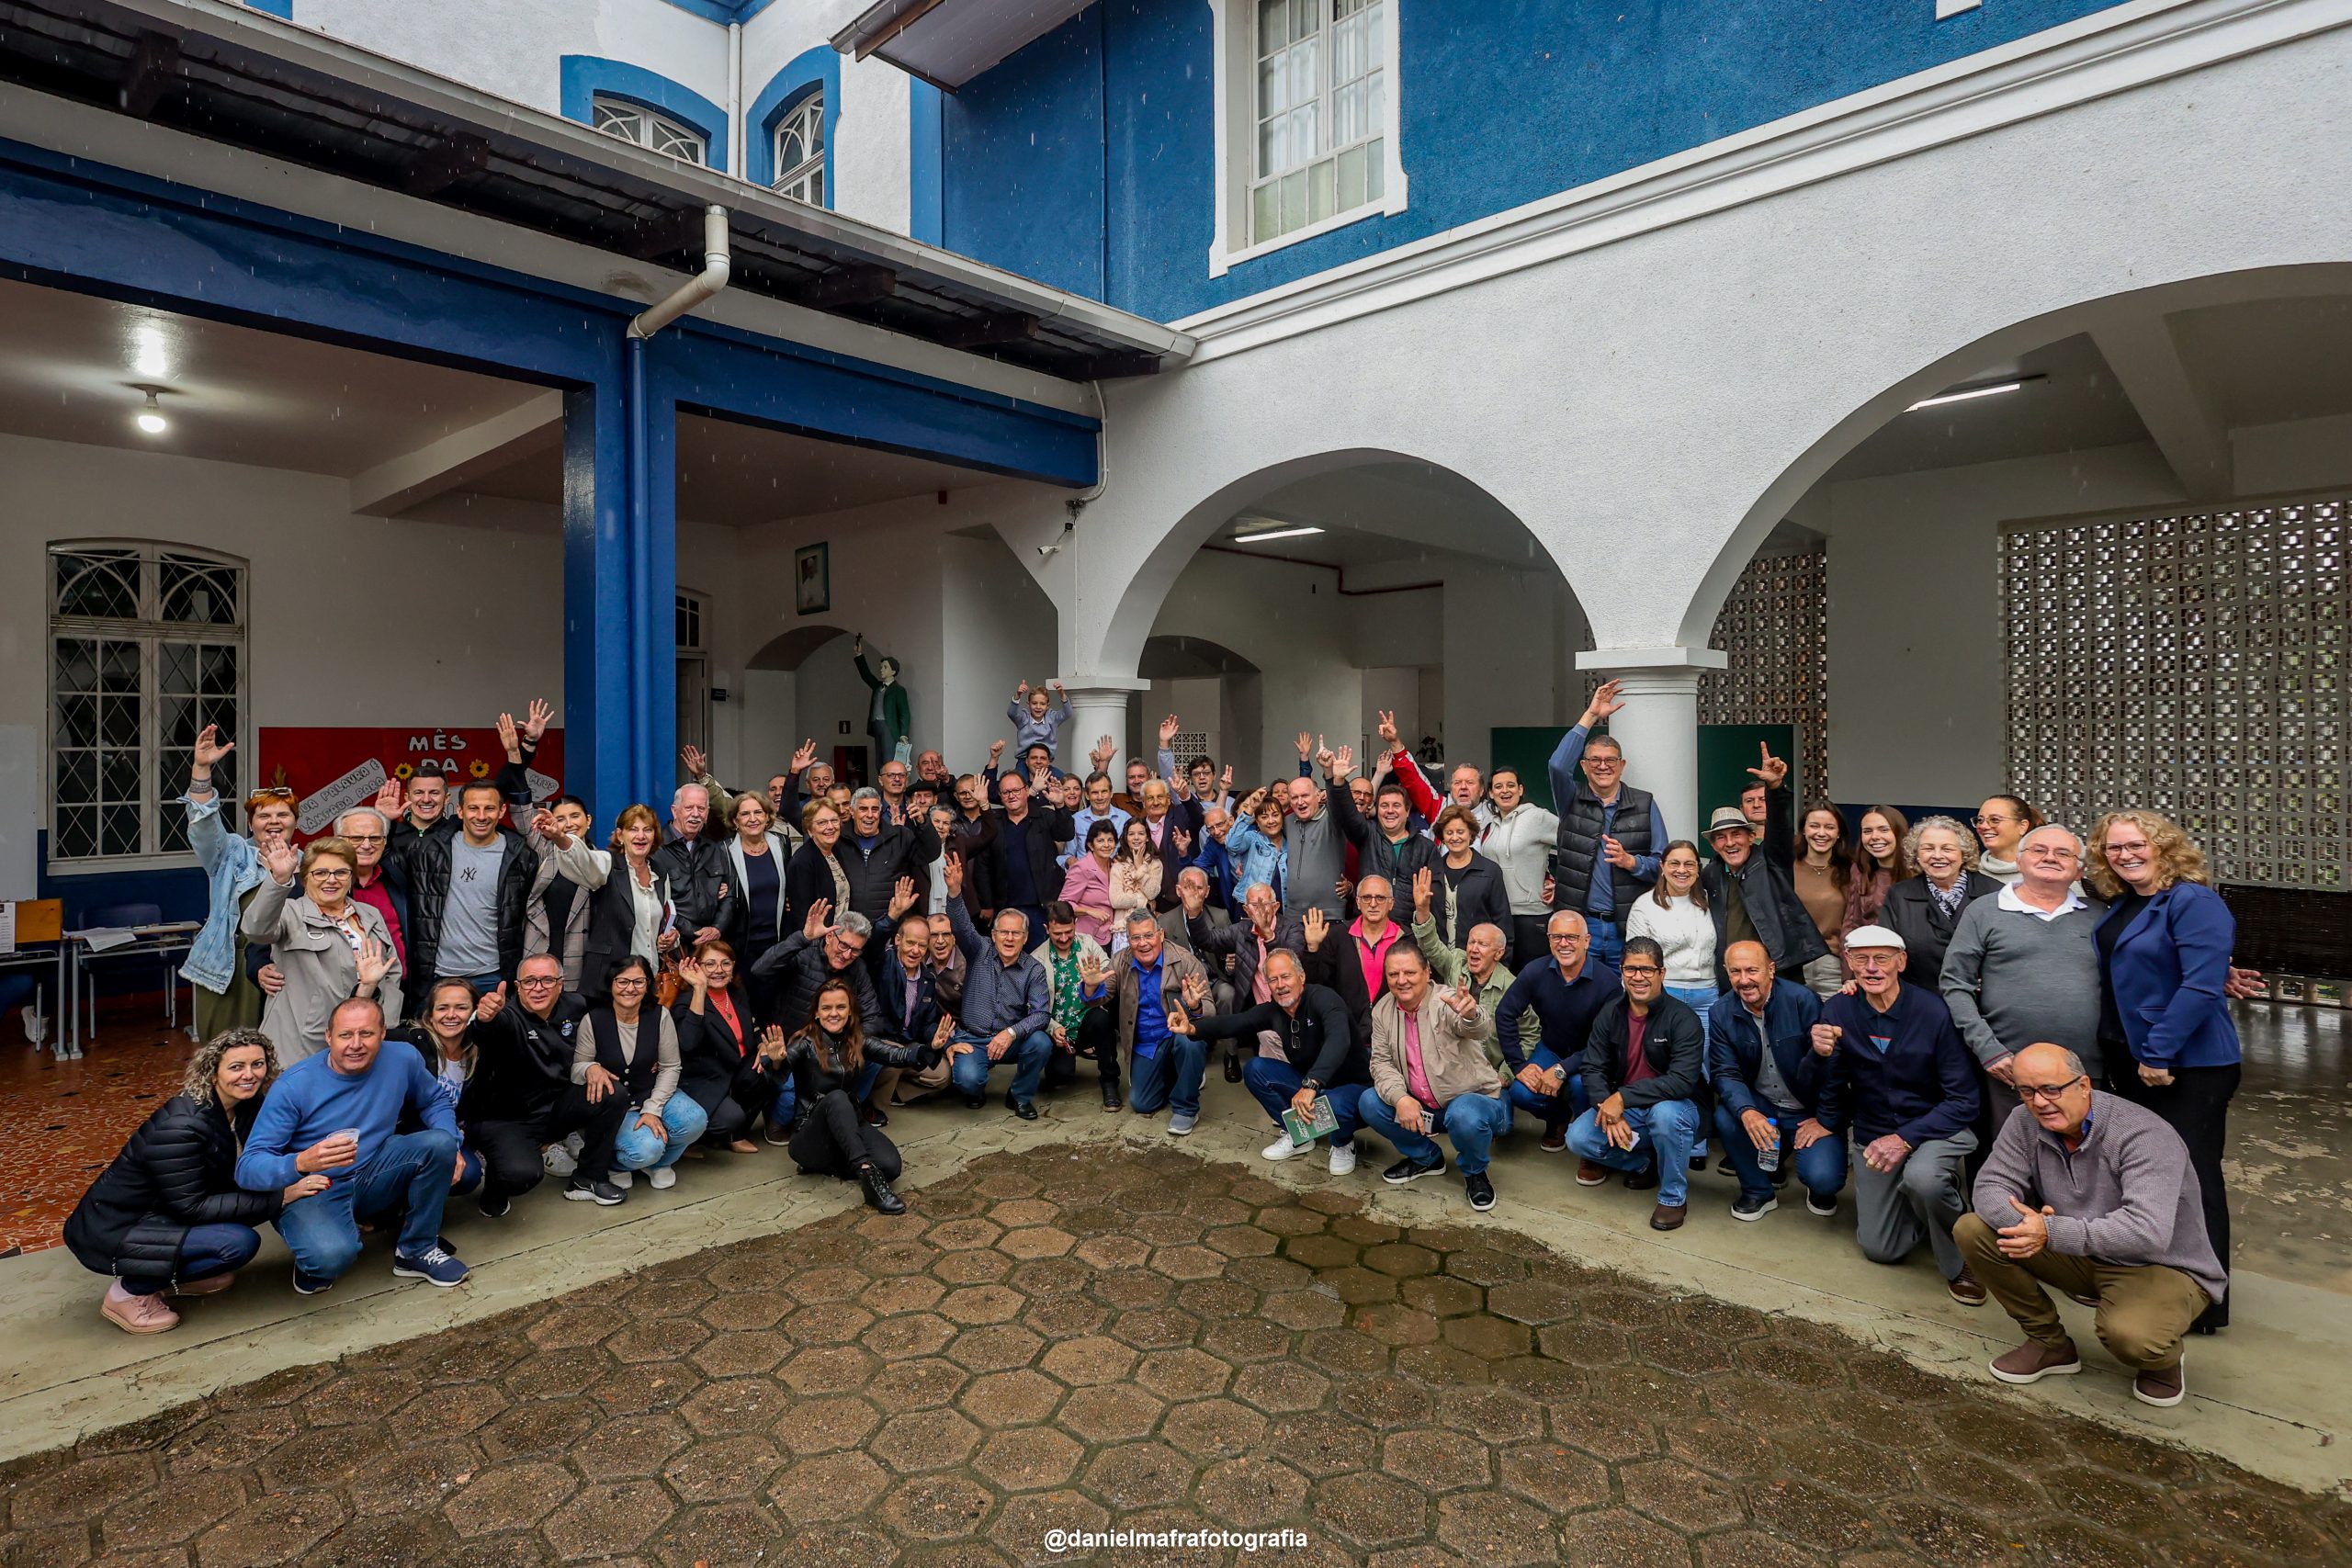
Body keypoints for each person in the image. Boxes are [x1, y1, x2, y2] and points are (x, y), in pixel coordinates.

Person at [1957, 1043, 2223, 1407]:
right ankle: (2050, 1344)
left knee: (2133, 1337)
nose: (2039, 1102)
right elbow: (1990, 1187)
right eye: (2027, 1091)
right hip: (2082, 1252)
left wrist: (2050, 1231)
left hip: (2158, 1265)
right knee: (1974, 1230)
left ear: (2084, 1085)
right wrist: (2031, 1225)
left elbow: (2147, 1233)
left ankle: (2162, 1362)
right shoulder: (2025, 1121)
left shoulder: (2143, 1134)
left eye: (2052, 1089)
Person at [2088, 809, 2241, 1333]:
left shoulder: (2193, 900)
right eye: (2114, 848)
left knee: (2193, 1176)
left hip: (2186, 1063)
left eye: (2135, 846)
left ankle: (2205, 1299)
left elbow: (2201, 985)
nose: (2125, 855)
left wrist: (2158, 1052)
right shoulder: (2125, 902)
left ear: (2163, 847)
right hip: (2125, 1055)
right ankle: (2150, 1278)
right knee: (2143, 1170)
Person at [67, 1028, 309, 1333]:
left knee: (237, 1221)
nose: (249, 1075)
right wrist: (280, 1197)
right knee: (237, 1245)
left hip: (164, 1211)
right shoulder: (181, 1127)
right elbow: (192, 1207)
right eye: (236, 1067)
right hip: (116, 1227)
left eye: (257, 1064)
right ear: (212, 1074)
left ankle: (177, 1275)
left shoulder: (243, 1106)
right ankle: (129, 1292)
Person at [235, 996, 470, 1292]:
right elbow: (248, 1167)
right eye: (345, 1035)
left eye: (366, 1034)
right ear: (329, 1037)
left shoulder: (402, 1058)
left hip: (374, 1169)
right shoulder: (293, 1086)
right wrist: (300, 1162)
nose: (355, 1044)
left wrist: (452, 1139)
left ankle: (416, 1249)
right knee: (329, 1258)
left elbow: (434, 1099)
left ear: (383, 1034)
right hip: (315, 1186)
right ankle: (314, 1256)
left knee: (440, 1143)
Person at [1808, 925, 1984, 1303]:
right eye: (1861, 959)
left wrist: (1905, 1140)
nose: (1872, 968)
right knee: (1880, 1249)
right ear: (1849, 964)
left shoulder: (1933, 1011)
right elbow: (1826, 1082)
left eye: (1882, 958)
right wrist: (1818, 1056)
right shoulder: (1838, 1008)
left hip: (1936, 1128)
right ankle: (1930, 1209)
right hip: (1875, 1132)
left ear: (1901, 962)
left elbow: (1964, 1101)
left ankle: (1964, 1255)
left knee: (1924, 1177)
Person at [1941, 824, 2106, 1163]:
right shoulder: (1984, 911)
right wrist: (1988, 1050)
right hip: (2009, 1068)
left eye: (2063, 853)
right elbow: (1955, 983)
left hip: (2085, 1068)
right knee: (2014, 1162)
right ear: (2019, 860)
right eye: (2039, 850)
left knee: (2084, 1161)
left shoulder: (2099, 916)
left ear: (2080, 869)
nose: (2050, 858)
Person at [765, 977, 961, 1214]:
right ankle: (868, 1178)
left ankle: (827, 1166)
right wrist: (776, 1062)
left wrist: (932, 1047)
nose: (833, 1014)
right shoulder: (804, 1042)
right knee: (837, 1097)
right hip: (810, 1136)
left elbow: (897, 1056)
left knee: (891, 1167)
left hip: (848, 1126)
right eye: (826, 1008)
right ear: (816, 1013)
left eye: (840, 1007)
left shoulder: (858, 1040)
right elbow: (777, 1073)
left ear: (850, 1012)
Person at [1173, 946, 1367, 1174]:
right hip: (1313, 1089)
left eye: (1286, 976)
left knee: (1333, 1102)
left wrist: (1311, 1084)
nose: (1280, 985)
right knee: (1256, 1068)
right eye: (1273, 980)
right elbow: (1234, 1022)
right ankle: (1299, 1136)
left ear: (1301, 976)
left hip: (1352, 1089)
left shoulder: (1324, 999)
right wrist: (1193, 1026)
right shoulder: (1275, 1011)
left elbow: (1339, 1041)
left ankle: (1343, 1142)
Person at [464, 953, 631, 1209]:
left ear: (561, 984)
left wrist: (592, 1066)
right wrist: (484, 1018)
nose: (538, 988)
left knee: (611, 1091)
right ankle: (495, 1189)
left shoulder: (575, 1006)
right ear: (517, 987)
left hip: (554, 1110)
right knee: (521, 1175)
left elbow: (609, 1020)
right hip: (507, 1119)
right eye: (529, 981)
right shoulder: (507, 1016)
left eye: (547, 980)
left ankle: (589, 1178)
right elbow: (485, 1031)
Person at [1565, 937, 1708, 1229]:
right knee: (1578, 1137)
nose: (1638, 977)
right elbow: (1592, 1067)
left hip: (1677, 1106)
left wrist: (1623, 1098)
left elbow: (1681, 1081)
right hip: (1628, 1107)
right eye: (1631, 969)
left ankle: (1672, 1197)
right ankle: (1647, 1163)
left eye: (1646, 970)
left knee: (1665, 1115)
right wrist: (1609, 1105)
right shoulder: (1611, 1013)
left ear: (1661, 973)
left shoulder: (1683, 1019)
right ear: (1622, 972)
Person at [1354, 945, 1506, 1207]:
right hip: (1425, 1109)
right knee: (1369, 1101)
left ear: (1426, 972)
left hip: (1471, 1104)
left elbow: (1477, 1029)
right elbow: (1380, 1063)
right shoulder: (1382, 1010)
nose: (1401, 980)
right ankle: (1427, 1158)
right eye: (1393, 974)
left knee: (1464, 1114)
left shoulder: (1446, 1000)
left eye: (1410, 972)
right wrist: (1401, 1098)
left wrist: (1470, 1013)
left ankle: (1474, 1171)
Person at [1707, 941, 1844, 1221]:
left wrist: (1826, 1120)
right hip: (1764, 1105)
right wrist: (1747, 1111)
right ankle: (1758, 1192)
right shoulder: (1721, 1012)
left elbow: (1834, 1067)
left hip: (1808, 1111)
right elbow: (1725, 1071)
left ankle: (1816, 1184)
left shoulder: (1802, 1000)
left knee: (1824, 1179)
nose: (1744, 980)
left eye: (1752, 970)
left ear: (1771, 969)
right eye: (1735, 972)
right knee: (1727, 1117)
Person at [243, 836, 402, 1064]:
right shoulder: (290, 913)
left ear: (351, 878)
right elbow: (256, 930)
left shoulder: (370, 914)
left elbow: (391, 971)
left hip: (360, 1039)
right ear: (305, 879)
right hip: (302, 1045)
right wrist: (278, 880)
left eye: (341, 872)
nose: (331, 880)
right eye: (320, 873)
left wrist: (385, 1026)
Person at [181, 725, 295, 1039]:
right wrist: (202, 770)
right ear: (250, 823)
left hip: (287, 970)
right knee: (226, 1055)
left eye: (283, 815)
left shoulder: (309, 864)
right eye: (263, 816)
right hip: (229, 968)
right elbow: (204, 824)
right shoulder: (230, 853)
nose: (273, 822)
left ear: (295, 821)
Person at [1545, 681, 1668, 971]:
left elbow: (1662, 864)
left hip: (1627, 926)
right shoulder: (1571, 799)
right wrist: (1591, 715)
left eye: (1610, 760)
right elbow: (1557, 766)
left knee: (1624, 1001)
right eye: (1595, 760)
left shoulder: (1645, 804)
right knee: (1576, 998)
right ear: (1584, 766)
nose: (1603, 766)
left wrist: (1631, 862)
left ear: (1622, 765)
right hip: (1580, 925)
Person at [384, 774, 538, 999]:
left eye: (489, 808)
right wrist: (386, 823)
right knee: (436, 1036)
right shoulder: (429, 850)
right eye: (473, 808)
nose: (481, 816)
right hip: (438, 974)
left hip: (493, 974)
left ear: (502, 811)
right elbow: (386, 865)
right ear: (460, 810)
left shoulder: (520, 856)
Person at [573, 956, 708, 1191]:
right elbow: (577, 1069)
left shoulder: (660, 1016)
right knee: (646, 1149)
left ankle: (659, 1164)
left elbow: (670, 1066)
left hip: (650, 1092)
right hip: (614, 1105)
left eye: (638, 982)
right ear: (611, 984)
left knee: (695, 1120)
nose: (630, 989)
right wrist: (589, 1067)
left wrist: (653, 1109)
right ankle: (618, 1166)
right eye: (622, 981)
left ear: (648, 986)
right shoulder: (593, 1020)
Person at [940, 857, 1054, 1117]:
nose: (1009, 938)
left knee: (1040, 1042)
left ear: (1026, 938)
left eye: (1016, 934)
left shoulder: (1033, 969)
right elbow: (960, 926)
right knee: (968, 1080)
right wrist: (955, 892)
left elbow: (1041, 1014)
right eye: (1004, 932)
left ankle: (1020, 1096)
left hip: (1009, 1039)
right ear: (993, 934)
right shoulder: (979, 949)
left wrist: (1011, 1033)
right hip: (973, 1038)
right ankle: (975, 1090)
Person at [1494, 910, 1617, 1148]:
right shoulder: (1535, 971)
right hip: (1551, 1048)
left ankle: (1590, 1148)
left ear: (1587, 941)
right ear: (1548, 940)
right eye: (1556, 937)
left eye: (1571, 937)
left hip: (1591, 1056)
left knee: (1582, 1086)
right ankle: (1559, 1118)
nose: (1564, 944)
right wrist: (1518, 1065)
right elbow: (1505, 1013)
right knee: (1521, 1091)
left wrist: (1561, 1070)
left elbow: (1604, 1044)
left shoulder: (1608, 983)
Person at [1083, 910, 1211, 1134]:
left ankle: (1186, 1108)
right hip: (1145, 1045)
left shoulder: (1185, 961)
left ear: (1161, 935)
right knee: (1142, 1103)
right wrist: (1091, 987)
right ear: (1128, 939)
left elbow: (1210, 1012)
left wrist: (1195, 1007)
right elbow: (1100, 999)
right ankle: (1186, 1074)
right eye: (1135, 938)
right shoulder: (1120, 960)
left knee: (1190, 1042)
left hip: (1176, 1035)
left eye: (1148, 936)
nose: (1143, 943)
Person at [539, 802, 676, 1001]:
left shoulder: (660, 872)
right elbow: (582, 860)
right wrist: (559, 837)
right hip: (608, 980)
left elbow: (662, 920)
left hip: (647, 979)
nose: (641, 836)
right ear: (620, 836)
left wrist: (669, 937)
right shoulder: (607, 862)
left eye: (647, 830)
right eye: (633, 829)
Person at [1698, 806, 1826, 987]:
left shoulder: (1771, 862)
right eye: (1721, 837)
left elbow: (1780, 829)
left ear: (1751, 837)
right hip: (1732, 977)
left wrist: (1775, 788)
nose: (1730, 843)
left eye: (1736, 834)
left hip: (1777, 973)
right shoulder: (1710, 874)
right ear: (1713, 845)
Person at [1408, 867, 1521, 1072]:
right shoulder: (1457, 963)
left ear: (1498, 954)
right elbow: (1431, 945)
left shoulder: (1513, 987)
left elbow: (1530, 1036)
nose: (1474, 949)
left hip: (1490, 1071)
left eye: (1483, 944)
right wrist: (1423, 909)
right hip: (1451, 1067)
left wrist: (1506, 1075)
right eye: (1471, 942)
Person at [1329, 747, 1444, 930]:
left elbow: (1436, 897)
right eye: (1384, 806)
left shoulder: (1426, 848)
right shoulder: (1366, 835)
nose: (1390, 811)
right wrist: (1339, 782)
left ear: (1407, 811)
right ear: (1376, 810)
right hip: (1368, 928)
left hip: (1408, 932)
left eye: (1396, 805)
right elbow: (1346, 814)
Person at [674, 942, 772, 1154]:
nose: (719, 970)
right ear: (697, 967)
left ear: (733, 966)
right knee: (730, 1119)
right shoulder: (686, 1002)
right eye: (710, 964)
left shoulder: (736, 994)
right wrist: (699, 990)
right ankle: (691, 1139)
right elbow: (688, 1044)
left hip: (733, 1072)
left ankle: (734, 1135)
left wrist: (763, 1045)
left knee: (770, 1066)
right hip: (703, 1080)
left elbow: (752, 1029)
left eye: (725, 963)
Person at [1881, 816, 2002, 983]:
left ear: (1963, 853)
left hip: (1981, 1000)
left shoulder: (1995, 892)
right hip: (1921, 999)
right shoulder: (1899, 895)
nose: (1937, 856)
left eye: (1947, 849)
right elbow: (1886, 951)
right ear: (1916, 855)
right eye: (1928, 849)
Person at [751, 898, 888, 1041]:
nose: (847, 955)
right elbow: (760, 970)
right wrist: (803, 938)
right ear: (829, 937)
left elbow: (874, 1019)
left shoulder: (858, 967)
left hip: (832, 1053)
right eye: (843, 945)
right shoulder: (803, 953)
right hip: (790, 1045)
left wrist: (846, 1043)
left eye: (855, 950)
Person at [1470, 766, 1557, 973]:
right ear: (1491, 793)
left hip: (1531, 917)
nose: (1505, 791)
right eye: (1498, 786)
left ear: (1520, 790)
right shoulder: (1487, 826)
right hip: (1497, 917)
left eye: (1511, 785)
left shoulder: (1538, 817)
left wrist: (1558, 883)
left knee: (1534, 980)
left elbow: (1575, 846)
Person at [1037, 903, 1119, 1111]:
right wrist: (1052, 1028)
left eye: (1069, 932)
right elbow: (1035, 1007)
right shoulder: (1037, 959)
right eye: (1057, 934)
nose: (1064, 939)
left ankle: (1110, 1082)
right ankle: (1065, 1059)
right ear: (1047, 928)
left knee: (1102, 1019)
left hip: (1086, 1022)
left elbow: (1110, 974)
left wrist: (1095, 984)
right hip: (1060, 1033)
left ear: (1075, 924)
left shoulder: (1088, 944)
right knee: (1059, 1078)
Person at [981, 772, 1076, 947]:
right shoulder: (994, 821)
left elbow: (1066, 833)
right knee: (1009, 957)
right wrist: (987, 903)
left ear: (1026, 791)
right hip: (1006, 906)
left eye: (1016, 790)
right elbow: (983, 865)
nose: (1012, 796)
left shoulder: (1044, 816)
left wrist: (1061, 805)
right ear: (1000, 797)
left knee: (1042, 958)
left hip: (1042, 906)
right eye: (1006, 792)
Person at [1626, 840, 1716, 1013]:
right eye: (1674, 863)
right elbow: (1634, 958)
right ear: (1662, 867)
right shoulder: (1645, 905)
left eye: (1689, 864)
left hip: (1707, 996)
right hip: (1663, 993)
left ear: (1698, 869)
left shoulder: (1711, 901)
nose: (1682, 870)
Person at [521, 793, 596, 987]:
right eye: (560, 819)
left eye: (575, 816)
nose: (569, 824)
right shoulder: (545, 852)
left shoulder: (600, 861)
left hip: (584, 957)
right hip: (543, 950)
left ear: (588, 820)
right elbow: (521, 813)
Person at [720, 792, 793, 983]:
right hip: (741, 946)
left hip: (777, 943)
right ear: (735, 821)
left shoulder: (782, 843)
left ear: (767, 817)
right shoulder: (724, 850)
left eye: (758, 813)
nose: (752, 819)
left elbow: (791, 881)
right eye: (745, 814)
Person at [839, 786, 927, 927]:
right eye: (863, 809)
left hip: (891, 925)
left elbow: (930, 852)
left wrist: (923, 823)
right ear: (852, 811)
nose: (869, 815)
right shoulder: (838, 840)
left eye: (874, 809)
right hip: (849, 929)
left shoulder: (900, 837)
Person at [336, 807, 408, 974]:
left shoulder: (397, 878)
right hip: (344, 989)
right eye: (356, 838)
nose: (366, 845)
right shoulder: (321, 883)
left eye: (375, 838)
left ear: (385, 842)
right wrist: (264, 963)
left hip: (397, 987)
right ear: (338, 840)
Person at [1428, 805, 1510, 952]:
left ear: (1471, 834)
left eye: (1460, 832)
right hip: (1438, 960)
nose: (1454, 837)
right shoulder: (1431, 872)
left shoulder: (1490, 871)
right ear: (1442, 836)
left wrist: (1501, 964)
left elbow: (1503, 922)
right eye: (1449, 832)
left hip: (1478, 959)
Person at [1792, 801, 1851, 996]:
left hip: (1833, 965)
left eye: (1830, 827)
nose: (1821, 833)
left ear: (1839, 833)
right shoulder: (1787, 869)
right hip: (1794, 965)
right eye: (1814, 826)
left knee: (1834, 1024)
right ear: (1803, 830)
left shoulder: (1850, 871)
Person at [1281, 756, 1349, 919]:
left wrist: (1328, 772)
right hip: (1293, 915)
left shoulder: (1333, 818)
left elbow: (1339, 802)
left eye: (1305, 796)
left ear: (1319, 796)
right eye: (1295, 797)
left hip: (1329, 914)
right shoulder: (1286, 822)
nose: (1300, 802)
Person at [1839, 806, 1911, 958]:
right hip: (1870, 964)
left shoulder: (1919, 872)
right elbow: (1851, 927)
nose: (1875, 837)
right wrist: (1849, 978)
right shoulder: (1859, 870)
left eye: (1884, 829)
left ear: (1899, 832)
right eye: (1867, 831)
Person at [1222, 786, 1292, 912]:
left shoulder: (1292, 844)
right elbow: (1232, 845)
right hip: (1250, 909)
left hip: (1282, 911)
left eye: (1275, 815)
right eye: (1264, 817)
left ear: (1282, 817)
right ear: (1257, 822)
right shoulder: (1253, 838)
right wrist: (1249, 810)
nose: (1271, 821)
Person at [1058, 820, 1121, 949]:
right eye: (1100, 841)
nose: (1106, 845)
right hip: (1085, 937)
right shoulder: (1081, 868)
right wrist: (1089, 911)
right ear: (1091, 845)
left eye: (1110, 840)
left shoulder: (1115, 866)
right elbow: (1063, 903)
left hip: (1110, 935)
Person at [852, 634, 912, 766]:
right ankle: (881, 777)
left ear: (893, 671)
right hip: (876, 725)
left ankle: (888, 776)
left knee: (888, 756)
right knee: (879, 757)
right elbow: (866, 675)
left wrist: (904, 734)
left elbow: (904, 713)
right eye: (881, 667)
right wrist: (859, 655)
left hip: (888, 726)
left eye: (885, 667)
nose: (881, 670)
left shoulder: (898, 690)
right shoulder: (878, 687)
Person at [1109, 817, 1164, 939]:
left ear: (1148, 837)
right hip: (1122, 929)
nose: (1136, 838)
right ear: (1126, 838)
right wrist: (1142, 901)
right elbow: (1116, 900)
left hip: (1148, 928)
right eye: (1131, 834)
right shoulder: (1118, 866)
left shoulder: (1156, 864)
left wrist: (1140, 867)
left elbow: (1152, 893)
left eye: (1141, 833)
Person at [1973, 795, 2046, 886]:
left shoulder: (2050, 871)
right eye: (1980, 820)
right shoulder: (1968, 874)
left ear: (2022, 826)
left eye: (1995, 820)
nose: (1983, 826)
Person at [385, 763, 450, 862]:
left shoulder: (458, 833)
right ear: (407, 798)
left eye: (434, 793)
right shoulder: (389, 835)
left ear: (446, 798)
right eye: (418, 793)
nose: (426, 799)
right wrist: (382, 820)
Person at [1068, 773, 1133, 868]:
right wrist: (1070, 861)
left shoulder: (1125, 819)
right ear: (1087, 795)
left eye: (1104, 791)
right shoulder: (1075, 821)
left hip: (1118, 877)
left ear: (1111, 793)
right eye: (1095, 792)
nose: (1100, 797)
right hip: (1086, 877)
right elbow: (1067, 854)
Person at [1007, 679, 1070, 763]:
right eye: (1034, 703)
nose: (1038, 707)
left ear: (1048, 706)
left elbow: (1068, 713)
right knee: (1020, 776)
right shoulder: (1024, 718)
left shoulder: (1052, 718)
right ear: (1028, 704)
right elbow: (1011, 713)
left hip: (1045, 761)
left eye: (1042, 704)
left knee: (1061, 776)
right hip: (1024, 760)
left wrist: (1062, 695)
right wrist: (1018, 695)